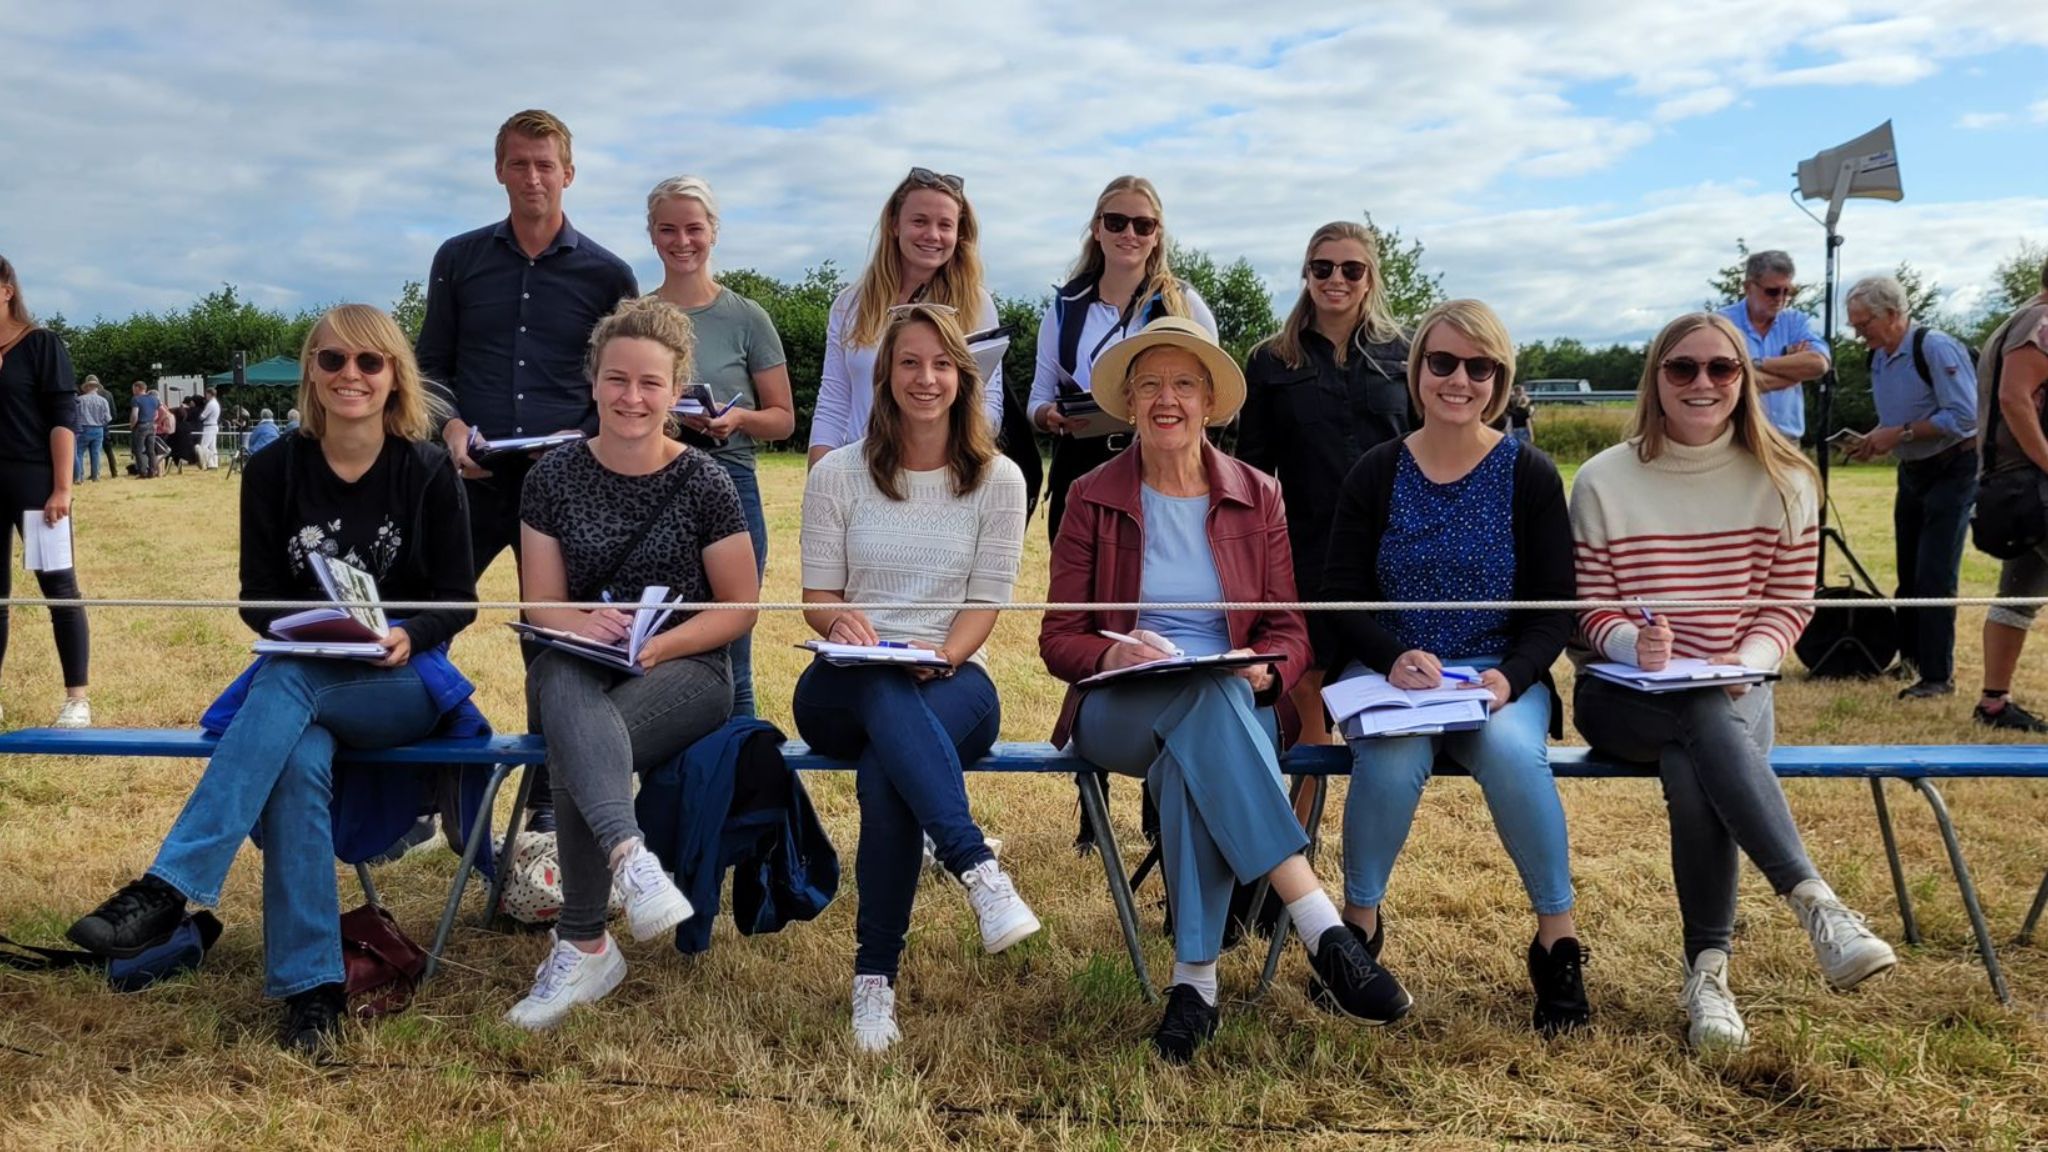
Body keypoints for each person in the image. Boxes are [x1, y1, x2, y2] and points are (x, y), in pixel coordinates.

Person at [66, 304, 479, 1052]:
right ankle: (312, 994)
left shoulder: (425, 469)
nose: (349, 375)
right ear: (312, 376)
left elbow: (457, 599)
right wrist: (308, 629)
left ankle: (170, 886)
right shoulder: (273, 468)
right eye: (331, 361)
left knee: (286, 685)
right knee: (298, 757)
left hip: (404, 682)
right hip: (305, 675)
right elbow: (258, 595)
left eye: (368, 362)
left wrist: (404, 634)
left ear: (394, 377)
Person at [1039, 315, 1403, 1063]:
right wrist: (1114, 658)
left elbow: (1290, 630)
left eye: (1182, 384)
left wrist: (1268, 669)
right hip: (1119, 706)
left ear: (1208, 401)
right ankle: (1319, 922)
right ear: (1130, 404)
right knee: (1204, 707)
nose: (1165, 399)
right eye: (1149, 386)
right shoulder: (1089, 496)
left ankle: (1193, 984)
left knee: (1203, 726)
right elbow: (1058, 638)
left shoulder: (1256, 494)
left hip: (1237, 703)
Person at [1570, 311, 1896, 1054]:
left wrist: (1746, 662)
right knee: (1696, 717)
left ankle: (1707, 976)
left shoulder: (1787, 479)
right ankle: (1815, 903)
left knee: (1695, 766)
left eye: (1722, 368)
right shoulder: (1600, 480)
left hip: (1738, 694)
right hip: (1623, 696)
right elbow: (1589, 607)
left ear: (1745, 379)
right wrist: (1631, 641)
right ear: (1656, 379)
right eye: (1682, 368)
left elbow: (1790, 604)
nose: (1703, 382)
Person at [1321, 299, 1586, 1034]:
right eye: (1442, 362)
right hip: (1396, 677)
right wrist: (1390, 654)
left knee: (1509, 755)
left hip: (1497, 676)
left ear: (1499, 378)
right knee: (1391, 758)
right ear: (1418, 370)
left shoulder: (1528, 473)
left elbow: (1553, 607)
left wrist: (1511, 676)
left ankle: (1556, 942)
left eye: (1479, 366)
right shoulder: (1377, 471)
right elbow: (1338, 597)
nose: (1458, 379)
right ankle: (1359, 932)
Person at [505, 297, 759, 1029]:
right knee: (560, 680)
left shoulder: (706, 482)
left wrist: (663, 643)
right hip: (582, 661)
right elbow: (539, 605)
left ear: (675, 387)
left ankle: (584, 941)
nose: (632, 398)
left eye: (650, 383)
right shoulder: (551, 477)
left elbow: (739, 608)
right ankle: (629, 861)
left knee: (579, 736)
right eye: (618, 380)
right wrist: (584, 621)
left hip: (687, 668)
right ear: (594, 382)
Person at [795, 303, 1036, 1053]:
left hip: (956, 677)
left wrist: (944, 659)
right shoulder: (837, 473)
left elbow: (985, 604)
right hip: (846, 681)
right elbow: (816, 597)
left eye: (940, 363)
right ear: (885, 374)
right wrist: (843, 626)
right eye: (909, 362)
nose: (924, 378)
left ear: (962, 377)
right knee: (880, 686)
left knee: (885, 770)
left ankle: (874, 981)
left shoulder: (999, 479)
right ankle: (976, 866)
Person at [416, 108, 638, 833]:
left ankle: (549, 796)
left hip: (562, 485)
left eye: (546, 164)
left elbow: (624, 376)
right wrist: (446, 426)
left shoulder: (609, 273)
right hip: (468, 480)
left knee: (559, 642)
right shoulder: (457, 259)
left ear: (568, 173)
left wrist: (580, 440)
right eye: (519, 163)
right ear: (499, 170)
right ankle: (422, 785)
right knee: (426, 619)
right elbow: (431, 368)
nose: (533, 176)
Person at [1238, 220, 1413, 746]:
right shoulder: (1271, 359)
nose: (1336, 279)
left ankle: (1374, 796)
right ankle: (1305, 818)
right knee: (1305, 678)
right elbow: (1253, 467)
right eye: (1322, 267)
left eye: (1351, 269)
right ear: (1307, 274)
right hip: (1306, 546)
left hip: (1393, 543)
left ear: (1370, 278)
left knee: (1386, 671)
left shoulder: (1409, 354)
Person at [645, 175, 793, 718]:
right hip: (653, 488)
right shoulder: (637, 318)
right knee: (657, 644)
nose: (682, 241)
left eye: (693, 228)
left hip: (730, 485)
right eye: (668, 229)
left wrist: (738, 419)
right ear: (652, 235)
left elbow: (782, 419)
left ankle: (740, 784)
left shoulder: (747, 317)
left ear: (713, 232)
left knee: (734, 649)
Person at [1028, 176, 1218, 546]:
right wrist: (1049, 416)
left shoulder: (1186, 305)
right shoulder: (1065, 308)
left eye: (1143, 225)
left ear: (1157, 235)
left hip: (1163, 463)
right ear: (1097, 229)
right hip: (1080, 465)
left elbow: (1216, 396)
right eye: (1116, 222)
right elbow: (1036, 398)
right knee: (1077, 593)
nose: (1129, 233)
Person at [807, 168, 1003, 465]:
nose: (933, 235)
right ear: (895, 224)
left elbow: (988, 403)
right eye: (920, 221)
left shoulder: (977, 304)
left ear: (959, 234)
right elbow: (833, 403)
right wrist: (819, 478)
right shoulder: (850, 304)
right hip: (862, 470)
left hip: (943, 473)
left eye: (945, 225)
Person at [1845, 275, 1979, 699]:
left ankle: (1939, 677)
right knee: (1908, 573)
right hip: (1913, 472)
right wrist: (1874, 440)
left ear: (1892, 314)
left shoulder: (1935, 347)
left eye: (1863, 323)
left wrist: (1899, 434)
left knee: (1935, 576)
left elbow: (1965, 416)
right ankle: (1912, 661)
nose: (1858, 333)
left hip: (1953, 469)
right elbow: (1899, 420)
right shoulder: (1880, 356)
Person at [0, 254, 92, 728]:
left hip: (35, 483)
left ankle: (76, 698)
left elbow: (63, 418)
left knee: (58, 585)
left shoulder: (41, 345)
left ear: (7, 289)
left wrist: (62, 487)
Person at [1972, 255, 2048, 733]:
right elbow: (2013, 398)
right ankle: (1993, 701)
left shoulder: (2021, 318)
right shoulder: (2040, 324)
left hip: (2023, 487)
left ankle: (1994, 702)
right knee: (2017, 596)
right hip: (2035, 485)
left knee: (2017, 595)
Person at [1717, 250, 1829, 443]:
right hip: (1738, 440)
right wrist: (1791, 372)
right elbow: (1726, 383)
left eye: (1787, 291)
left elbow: (1819, 364)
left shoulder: (1795, 321)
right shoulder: (1722, 324)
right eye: (1772, 291)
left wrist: (1755, 364)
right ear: (1748, 287)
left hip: (1787, 441)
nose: (1780, 298)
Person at [74, 375, 112, 483]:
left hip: (83, 429)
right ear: (96, 388)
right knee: (96, 453)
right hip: (98, 429)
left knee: (79, 453)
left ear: (86, 387)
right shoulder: (103, 401)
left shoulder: (80, 400)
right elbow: (108, 418)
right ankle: (96, 476)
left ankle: (79, 476)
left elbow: (75, 416)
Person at [129, 380, 160, 478]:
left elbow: (135, 414)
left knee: (139, 450)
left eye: (133, 389)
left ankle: (142, 472)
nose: (133, 391)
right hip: (151, 425)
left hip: (140, 426)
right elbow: (157, 413)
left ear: (138, 388)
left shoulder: (136, 399)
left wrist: (132, 425)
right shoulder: (154, 399)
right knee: (151, 450)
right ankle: (152, 472)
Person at [199, 387, 222, 469]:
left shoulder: (210, 404)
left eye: (206, 394)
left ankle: (211, 463)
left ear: (210, 394)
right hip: (214, 425)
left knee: (203, 446)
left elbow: (203, 416)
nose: (206, 396)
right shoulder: (216, 403)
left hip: (209, 427)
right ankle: (215, 463)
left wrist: (200, 416)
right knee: (212, 447)